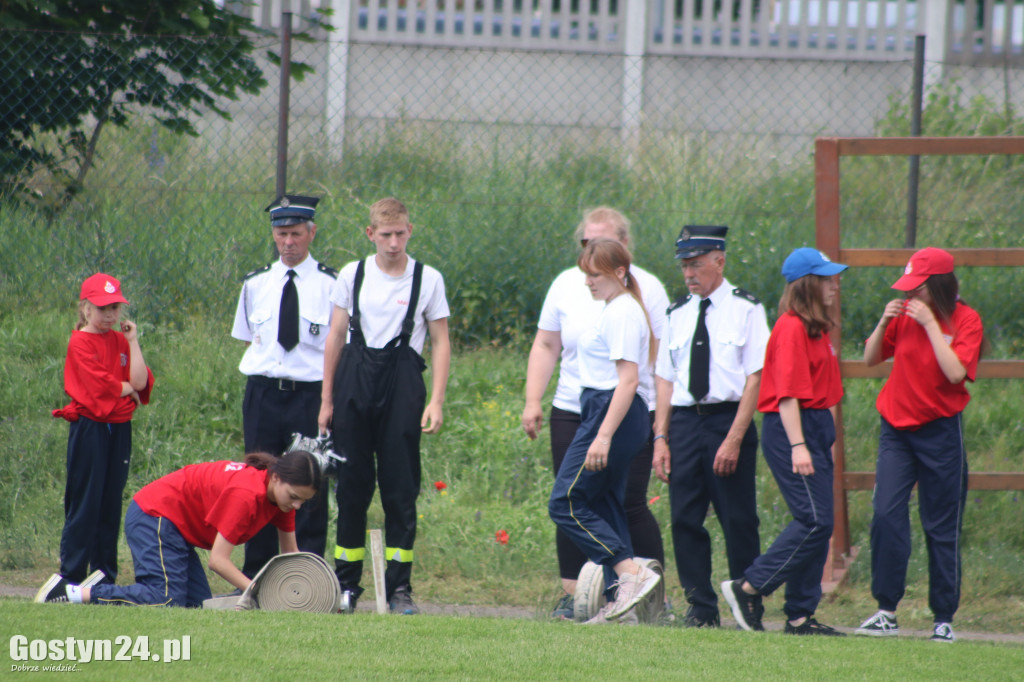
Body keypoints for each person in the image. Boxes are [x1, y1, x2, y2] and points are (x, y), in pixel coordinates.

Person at [522, 206, 667, 620]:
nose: (587, 282)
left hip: (611, 410)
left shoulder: (622, 310)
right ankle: (624, 597)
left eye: (596, 275)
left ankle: (628, 571)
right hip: (599, 407)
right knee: (605, 501)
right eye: (585, 272)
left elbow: (627, 380)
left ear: (620, 271)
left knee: (565, 502)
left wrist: (602, 435)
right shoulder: (614, 306)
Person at [318, 197, 451, 615]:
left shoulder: (428, 279)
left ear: (411, 230)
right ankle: (345, 586)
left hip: (403, 388)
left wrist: (437, 400)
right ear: (370, 233)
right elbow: (336, 337)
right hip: (354, 386)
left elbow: (442, 341)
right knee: (352, 491)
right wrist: (326, 400)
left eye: (400, 233)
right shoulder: (352, 275)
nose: (393, 242)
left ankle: (399, 590)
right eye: (385, 234)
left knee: (400, 491)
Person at [853, 247, 984, 644]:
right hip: (896, 428)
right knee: (885, 516)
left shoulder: (967, 320)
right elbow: (870, 359)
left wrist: (930, 325)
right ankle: (885, 611)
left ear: (939, 286)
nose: (910, 296)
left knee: (940, 525)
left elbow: (956, 372)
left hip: (941, 433)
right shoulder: (905, 314)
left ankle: (943, 618)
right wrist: (882, 322)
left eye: (918, 289)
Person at [720, 247, 847, 636]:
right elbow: (788, 395)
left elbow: (825, 391)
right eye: (827, 278)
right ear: (807, 285)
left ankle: (799, 616)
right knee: (813, 520)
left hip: (814, 426)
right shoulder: (790, 327)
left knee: (820, 524)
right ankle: (748, 587)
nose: (835, 284)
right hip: (791, 428)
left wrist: (823, 437)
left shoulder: (818, 328)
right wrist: (799, 446)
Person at [652, 225, 769, 628]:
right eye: (684, 265)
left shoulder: (747, 309)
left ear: (720, 262)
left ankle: (747, 603)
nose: (689, 274)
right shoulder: (677, 313)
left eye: (697, 265)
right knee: (685, 517)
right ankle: (700, 607)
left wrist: (735, 437)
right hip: (685, 424)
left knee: (738, 518)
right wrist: (661, 438)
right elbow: (665, 379)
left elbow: (755, 377)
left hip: (727, 419)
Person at [35, 450, 320, 607]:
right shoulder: (247, 494)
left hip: (176, 529)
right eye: (293, 496)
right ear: (276, 478)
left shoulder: (281, 501)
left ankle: (91, 589)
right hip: (154, 515)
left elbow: (290, 558)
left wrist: (305, 593)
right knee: (166, 599)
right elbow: (218, 561)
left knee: (197, 608)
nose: (296, 506)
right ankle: (69, 592)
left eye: (302, 502)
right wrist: (258, 591)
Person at [231, 194, 337, 579]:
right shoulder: (256, 283)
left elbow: (338, 346)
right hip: (262, 394)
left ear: (311, 233)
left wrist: (329, 401)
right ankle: (257, 574)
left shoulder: (331, 285)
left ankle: (305, 576)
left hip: (309, 397)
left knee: (308, 482)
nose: (288, 242)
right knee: (258, 482)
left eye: (295, 234)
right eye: (281, 234)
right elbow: (249, 341)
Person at [50, 272, 154, 587]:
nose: (109, 315)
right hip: (91, 428)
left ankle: (103, 575)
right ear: (85, 309)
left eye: (115, 308)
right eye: (101, 308)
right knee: (86, 500)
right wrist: (124, 387)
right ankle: (72, 573)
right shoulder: (80, 341)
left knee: (110, 501)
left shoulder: (121, 339)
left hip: (119, 428)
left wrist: (134, 341)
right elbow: (101, 386)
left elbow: (139, 381)